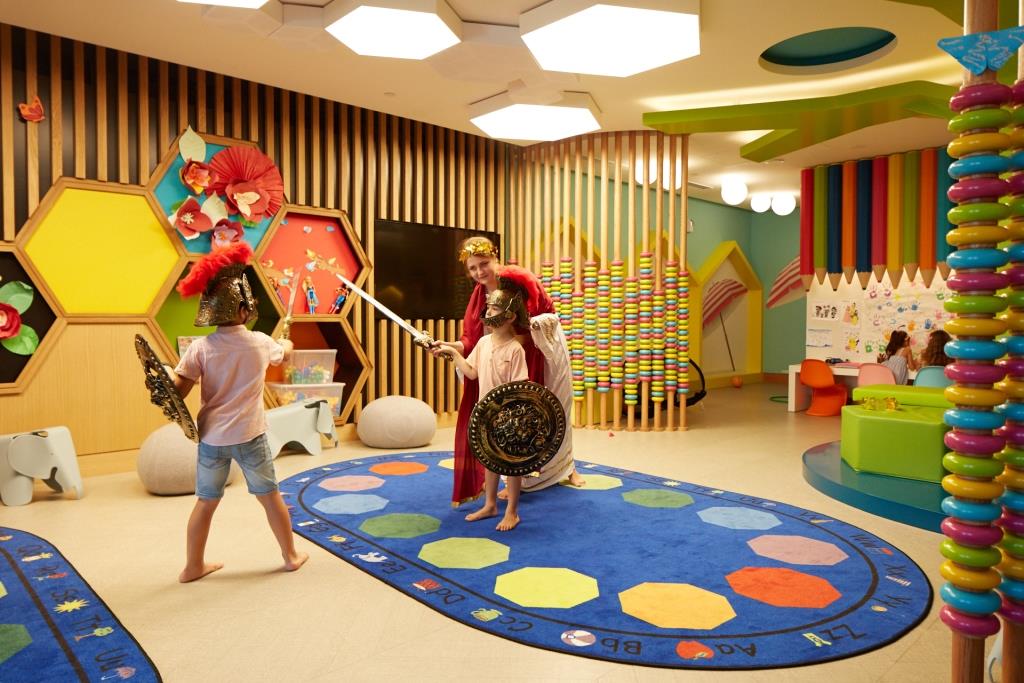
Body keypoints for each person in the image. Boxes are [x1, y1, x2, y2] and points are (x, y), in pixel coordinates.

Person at [171, 242, 308, 583]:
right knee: (270, 497)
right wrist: (286, 343)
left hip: (212, 439)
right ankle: (290, 556)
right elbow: (283, 352)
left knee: (205, 502)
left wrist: (165, 376)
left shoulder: (200, 348)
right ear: (245, 309)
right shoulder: (260, 342)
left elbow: (178, 389)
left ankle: (192, 566)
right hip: (250, 436)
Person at [429, 237, 583, 506]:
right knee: (508, 423)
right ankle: (516, 477)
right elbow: (472, 339)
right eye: (473, 268)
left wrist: (511, 343)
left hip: (539, 351)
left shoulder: (517, 277)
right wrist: (450, 347)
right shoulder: (479, 294)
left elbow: (545, 316)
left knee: (551, 410)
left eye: (484, 264)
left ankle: (567, 468)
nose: (479, 272)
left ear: (495, 258)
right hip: (502, 356)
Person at [437, 280, 530, 531]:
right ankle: (490, 505)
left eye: (495, 309)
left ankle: (512, 511)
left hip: (508, 417)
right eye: (488, 308)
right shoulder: (483, 343)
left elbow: (519, 388)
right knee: (490, 459)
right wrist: (453, 353)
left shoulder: (515, 350)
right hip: (485, 413)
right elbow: (471, 372)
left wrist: (509, 416)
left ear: (510, 316)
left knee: (510, 464)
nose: (489, 312)